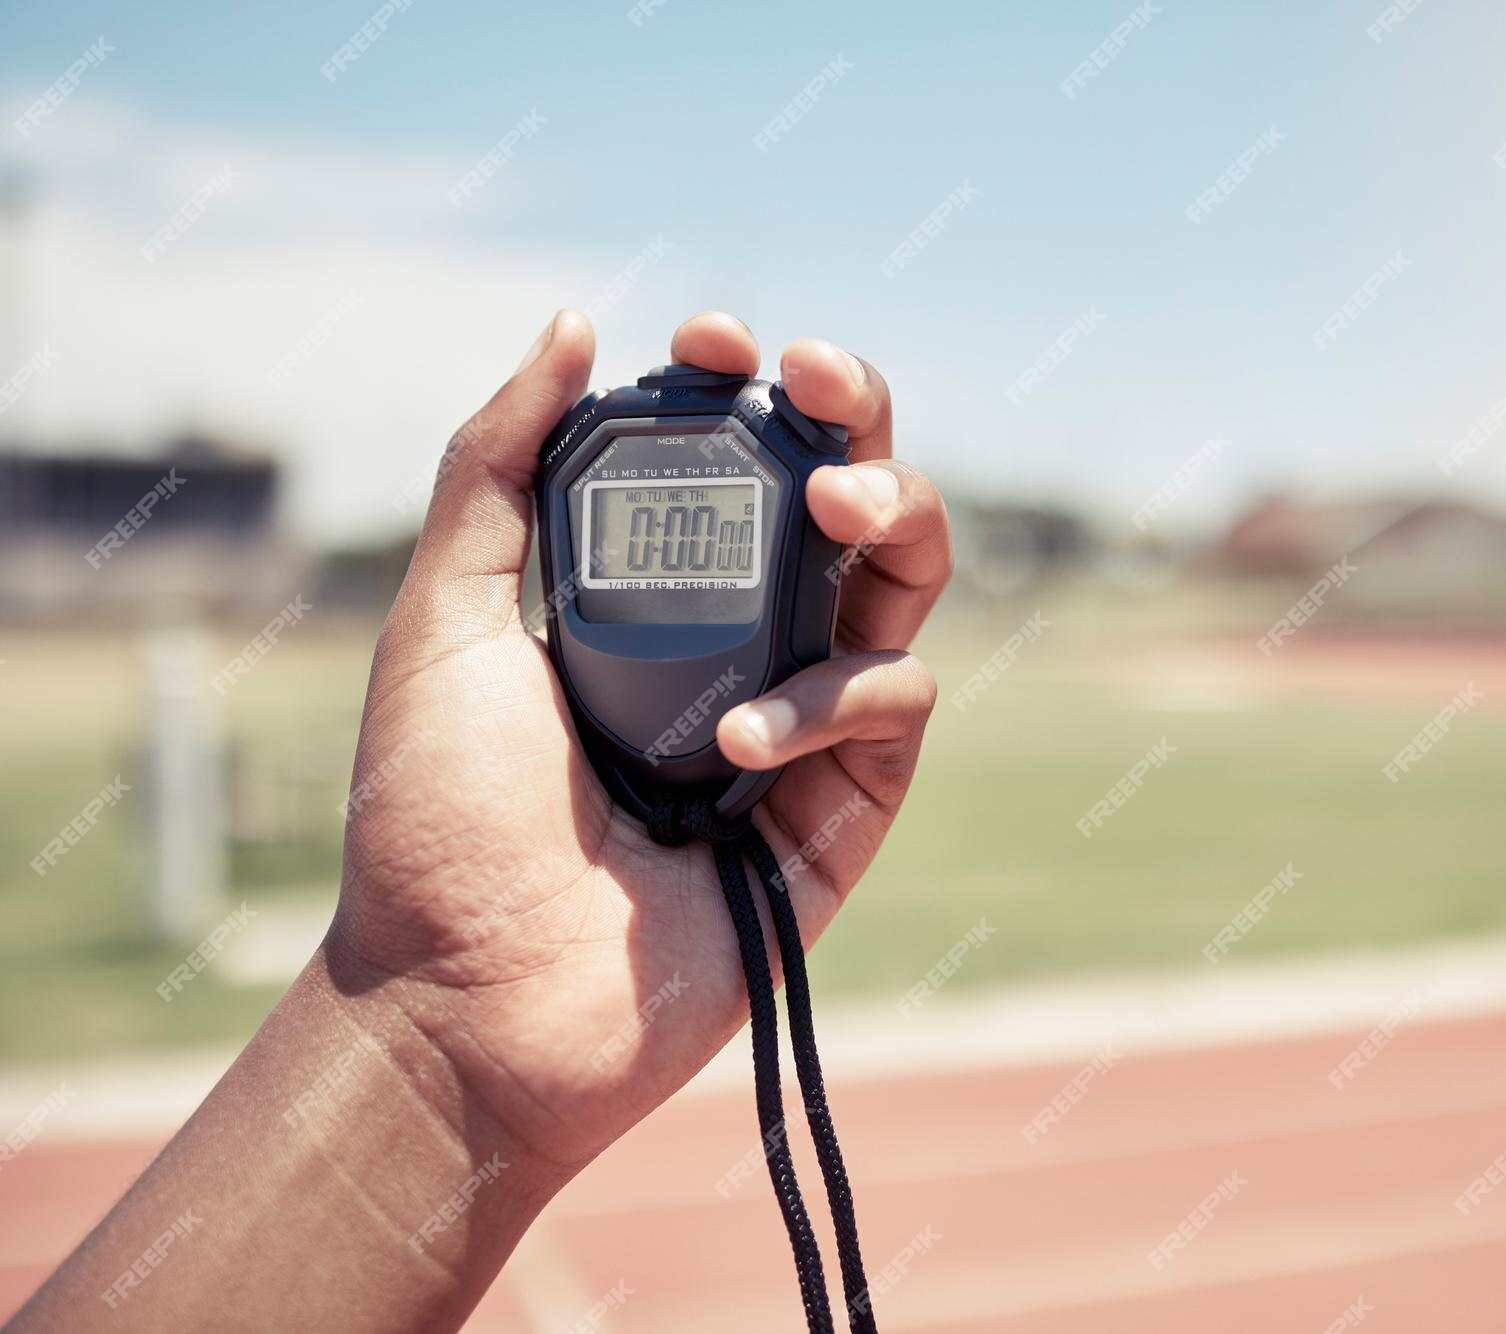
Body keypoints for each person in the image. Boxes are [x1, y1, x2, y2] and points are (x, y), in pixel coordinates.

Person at [6, 310, 950, 1333]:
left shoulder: (601, 451)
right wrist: (435, 1019)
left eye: (706, 526)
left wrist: (434, 1035)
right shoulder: (680, 456)